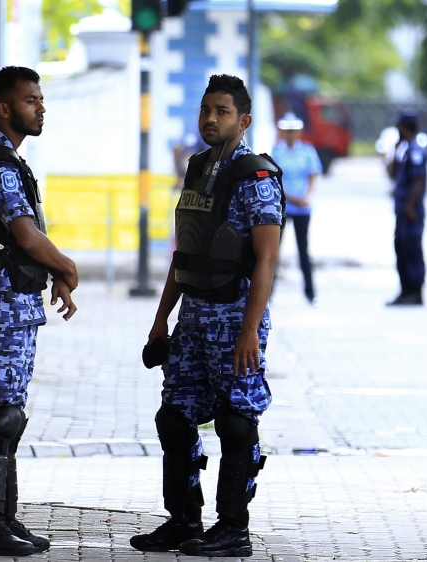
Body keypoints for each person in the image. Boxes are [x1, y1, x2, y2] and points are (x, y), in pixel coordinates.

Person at [130, 74, 283, 558]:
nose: (211, 119)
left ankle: (232, 529)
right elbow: (186, 252)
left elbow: (267, 260)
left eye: (221, 111)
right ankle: (183, 520)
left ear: (244, 120)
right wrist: (161, 320)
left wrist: (249, 331)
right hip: (192, 318)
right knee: (174, 419)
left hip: (235, 317)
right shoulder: (197, 168)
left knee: (236, 423)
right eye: (205, 110)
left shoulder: (256, 176)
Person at [0, 65, 79, 556]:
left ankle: (0, 518)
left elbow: (22, 244)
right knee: (0, 416)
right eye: (31, 100)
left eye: (41, 99)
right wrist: (68, 266)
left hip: (15, 302)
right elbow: (25, 236)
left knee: (4, 414)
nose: (41, 107)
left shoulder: (9, 163)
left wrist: (53, 276)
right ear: (4, 109)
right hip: (2, 306)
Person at [271, 112, 322, 304]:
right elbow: (273, 181)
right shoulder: (276, 152)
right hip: (283, 206)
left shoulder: (307, 151)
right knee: (273, 252)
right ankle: (268, 294)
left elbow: (313, 176)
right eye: (287, 131)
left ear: (299, 132)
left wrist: (306, 197)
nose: (290, 134)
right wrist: (292, 198)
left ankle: (310, 293)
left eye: (293, 131)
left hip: (302, 207)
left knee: (304, 250)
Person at [388, 111, 427, 306]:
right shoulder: (404, 149)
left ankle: (415, 291)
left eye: (399, 127)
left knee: (412, 250)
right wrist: (395, 151)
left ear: (405, 128)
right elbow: (392, 175)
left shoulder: (416, 150)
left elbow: (418, 182)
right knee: (401, 249)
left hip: (411, 212)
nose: (397, 130)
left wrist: (410, 206)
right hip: (402, 211)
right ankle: (405, 291)